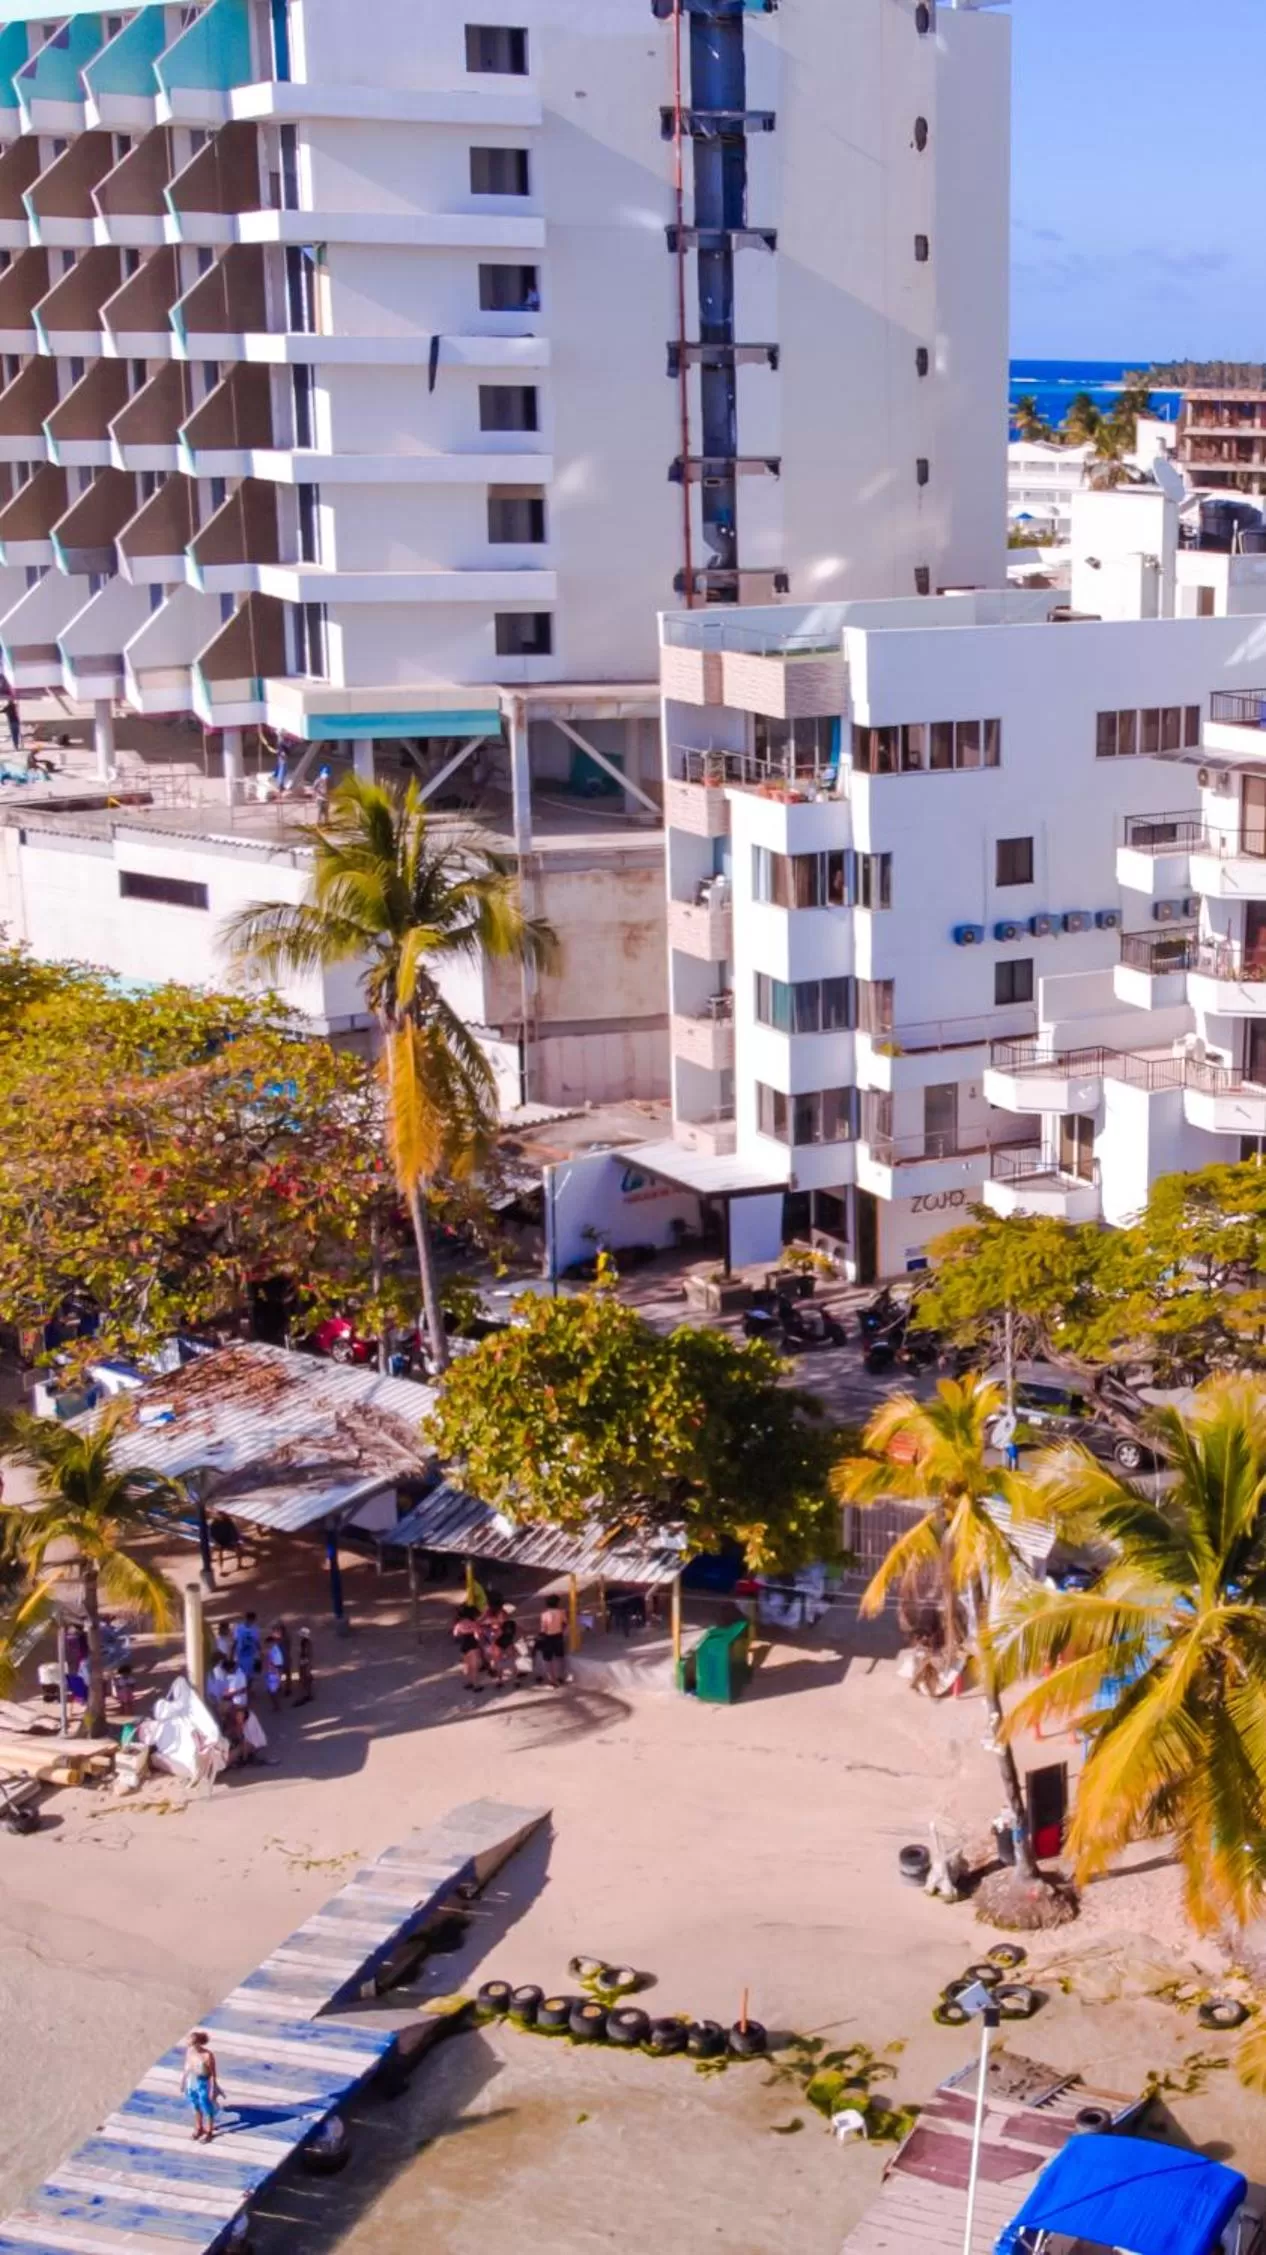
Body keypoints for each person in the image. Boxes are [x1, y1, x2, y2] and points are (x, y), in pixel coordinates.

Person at [182, 2031, 223, 2142]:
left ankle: (209, 2130)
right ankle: (199, 2127)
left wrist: (213, 2089)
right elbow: (187, 2068)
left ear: (199, 2043)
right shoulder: (189, 2052)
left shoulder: (208, 2055)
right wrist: (183, 2082)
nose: (190, 2046)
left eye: (192, 2043)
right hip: (192, 2080)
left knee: (206, 2105)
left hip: (204, 2082)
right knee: (195, 2104)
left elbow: (213, 2075)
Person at [480, 1593, 518, 1688]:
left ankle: (500, 1679)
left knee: (498, 1660)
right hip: (505, 1638)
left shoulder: (492, 1612)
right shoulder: (502, 1612)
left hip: (497, 1638)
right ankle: (515, 1679)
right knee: (510, 1658)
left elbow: (481, 1621)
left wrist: (488, 1622)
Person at [537, 1594, 569, 1688]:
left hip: (548, 1637)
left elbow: (543, 1628)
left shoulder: (544, 1614)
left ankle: (552, 1680)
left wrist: (540, 1637)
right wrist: (562, 1632)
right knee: (560, 1657)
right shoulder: (561, 1612)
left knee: (548, 1659)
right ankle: (561, 1677)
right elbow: (565, 1624)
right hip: (558, 1635)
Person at [452, 1601, 484, 1693]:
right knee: (474, 1666)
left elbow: (455, 1634)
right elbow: (477, 1635)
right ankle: (476, 1685)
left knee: (467, 1665)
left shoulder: (458, 1624)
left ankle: (468, 1682)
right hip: (472, 1646)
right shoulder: (473, 1623)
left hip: (463, 1645)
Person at [234, 1612, 261, 1679]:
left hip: (250, 1655)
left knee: (250, 1674)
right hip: (241, 1655)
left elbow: (257, 1642)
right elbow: (236, 1641)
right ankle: (244, 1688)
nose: (251, 1621)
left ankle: (248, 1689)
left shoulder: (255, 1629)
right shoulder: (239, 1628)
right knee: (241, 1673)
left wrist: (260, 1652)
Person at [263, 1630, 285, 1712]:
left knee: (272, 1692)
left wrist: (278, 1675)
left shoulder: (275, 1652)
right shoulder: (272, 1650)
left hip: (273, 1674)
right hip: (270, 1673)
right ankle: (276, 1705)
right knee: (271, 1691)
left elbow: (278, 1665)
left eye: (267, 1644)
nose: (266, 1645)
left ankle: (277, 1706)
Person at [294, 1624, 314, 1706]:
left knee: (303, 1680)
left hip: (305, 1663)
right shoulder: (306, 1642)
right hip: (306, 1663)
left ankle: (302, 1697)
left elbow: (306, 1654)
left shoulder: (305, 1644)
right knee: (307, 1680)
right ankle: (308, 1695)